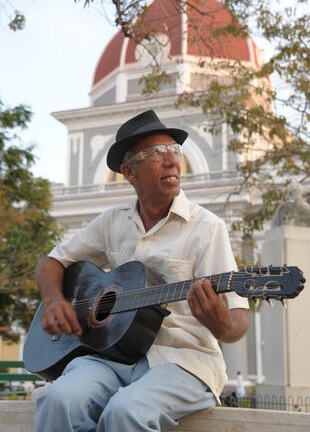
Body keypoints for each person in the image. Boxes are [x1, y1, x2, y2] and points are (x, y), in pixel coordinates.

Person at [34, 109, 249, 432]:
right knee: (58, 400)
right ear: (129, 172)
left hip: (183, 361)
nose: (172, 160)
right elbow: (52, 262)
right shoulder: (112, 221)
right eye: (155, 153)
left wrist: (221, 326)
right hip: (111, 356)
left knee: (125, 412)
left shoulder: (207, 228)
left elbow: (238, 323)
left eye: (174, 151)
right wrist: (53, 301)